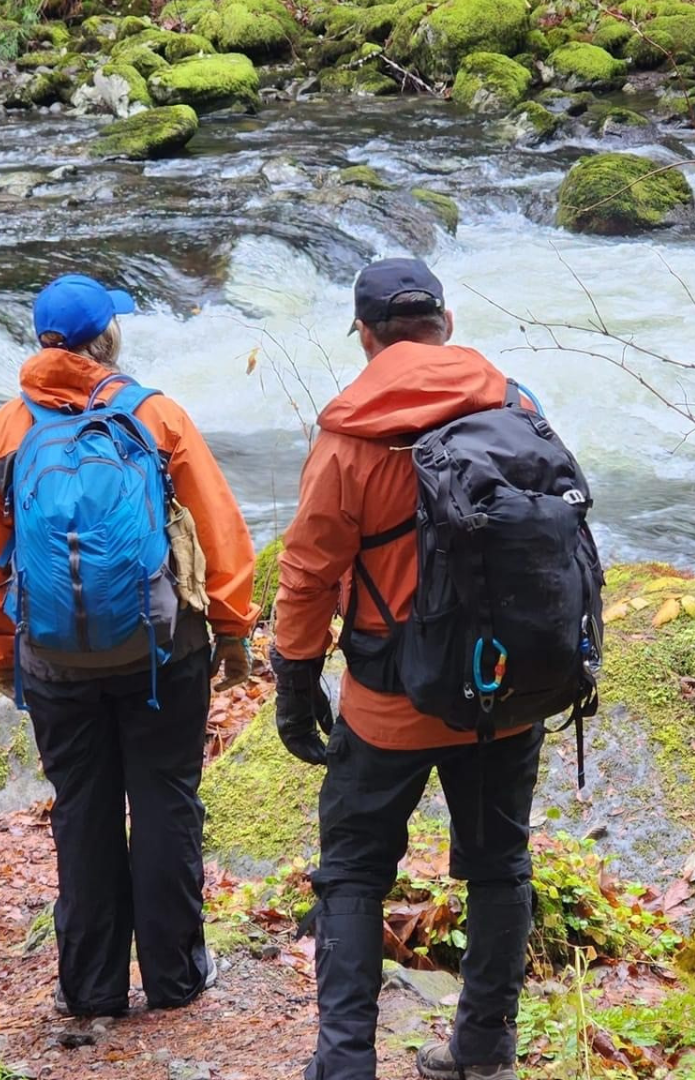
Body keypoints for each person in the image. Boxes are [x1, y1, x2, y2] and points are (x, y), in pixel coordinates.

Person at [272, 258, 567, 1080]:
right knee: (499, 862)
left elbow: (307, 574)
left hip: (387, 700)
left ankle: (345, 1066)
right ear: (445, 323)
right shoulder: (517, 406)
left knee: (355, 872)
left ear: (365, 334)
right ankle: (483, 1052)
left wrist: (296, 684)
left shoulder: (350, 439)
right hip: (503, 691)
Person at [0, 274, 259, 1018]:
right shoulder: (155, 415)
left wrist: (1, 651)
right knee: (166, 801)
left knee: (82, 809)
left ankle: (90, 987)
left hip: (56, 660)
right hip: (163, 653)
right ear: (108, 339)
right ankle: (176, 978)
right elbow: (220, 529)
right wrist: (232, 629)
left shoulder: (6, 429)